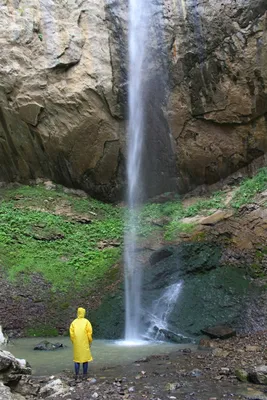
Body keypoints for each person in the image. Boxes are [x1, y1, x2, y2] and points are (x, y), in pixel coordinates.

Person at [69, 307, 93, 380]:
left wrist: (74, 341)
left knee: (77, 360)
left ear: (78, 313)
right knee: (85, 359)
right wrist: (90, 341)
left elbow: (71, 334)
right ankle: (84, 374)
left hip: (77, 343)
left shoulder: (73, 322)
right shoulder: (86, 322)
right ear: (84, 313)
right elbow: (89, 333)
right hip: (84, 343)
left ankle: (77, 375)